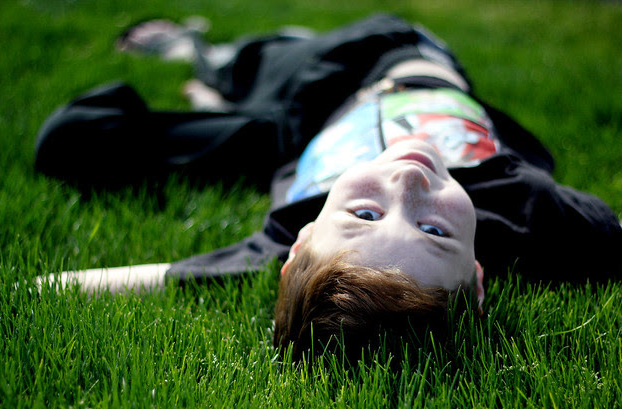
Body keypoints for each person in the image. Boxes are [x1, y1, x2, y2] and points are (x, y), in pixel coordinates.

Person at [35, 14, 622, 364]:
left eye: (365, 215)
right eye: (434, 230)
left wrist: (11, 291)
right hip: (391, 54)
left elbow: (159, 276)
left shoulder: (303, 245)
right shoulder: (527, 210)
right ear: (477, 276)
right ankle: (220, 69)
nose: (409, 182)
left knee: (72, 141)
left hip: (305, 109)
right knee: (250, 72)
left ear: (298, 246)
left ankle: (206, 62)